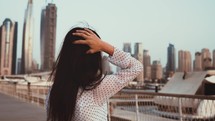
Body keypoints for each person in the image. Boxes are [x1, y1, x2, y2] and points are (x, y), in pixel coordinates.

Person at [46, 27, 143, 121]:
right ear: (93, 58)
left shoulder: (54, 91)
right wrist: (104, 46)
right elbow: (137, 67)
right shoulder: (97, 88)